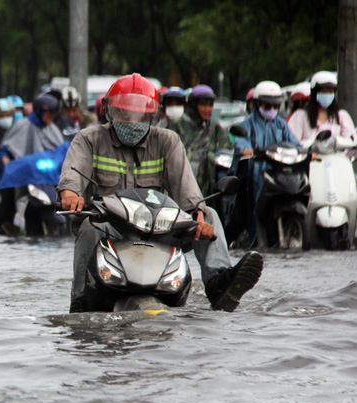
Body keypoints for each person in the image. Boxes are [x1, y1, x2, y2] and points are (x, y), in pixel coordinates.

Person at [58, 73, 263, 313]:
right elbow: (71, 176)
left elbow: (188, 192)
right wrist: (70, 194)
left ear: (152, 116)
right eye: (124, 114)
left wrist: (196, 213)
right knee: (89, 226)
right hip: (111, 231)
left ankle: (219, 282)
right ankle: (81, 297)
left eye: (139, 116)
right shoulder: (88, 139)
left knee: (209, 215)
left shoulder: (168, 141)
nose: (131, 122)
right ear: (110, 112)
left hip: (161, 230)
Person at [228, 80, 301, 247]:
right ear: (257, 104)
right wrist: (248, 150)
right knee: (243, 213)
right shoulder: (247, 124)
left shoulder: (281, 124)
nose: (272, 110)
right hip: (252, 176)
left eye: (276, 106)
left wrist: (304, 152)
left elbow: (295, 144)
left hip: (277, 174)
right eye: (268, 106)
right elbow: (241, 143)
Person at [0, 94, 65, 233]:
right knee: (6, 208)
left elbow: (60, 150)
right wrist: (9, 165)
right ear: (39, 111)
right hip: (22, 177)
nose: (51, 116)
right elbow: (4, 150)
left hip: (45, 177)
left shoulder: (53, 129)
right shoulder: (21, 126)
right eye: (49, 113)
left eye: (54, 113)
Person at [169, 84, 233, 197]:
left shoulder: (215, 128)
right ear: (193, 105)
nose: (207, 109)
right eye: (203, 105)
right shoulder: (176, 126)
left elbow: (226, 153)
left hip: (210, 192)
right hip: (180, 187)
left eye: (210, 105)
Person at [287, 71, 355, 142]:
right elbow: (292, 141)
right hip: (309, 152)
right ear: (314, 93)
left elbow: (350, 141)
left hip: (337, 153)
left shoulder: (341, 116)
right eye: (323, 91)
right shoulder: (300, 115)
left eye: (330, 92)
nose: (327, 95)